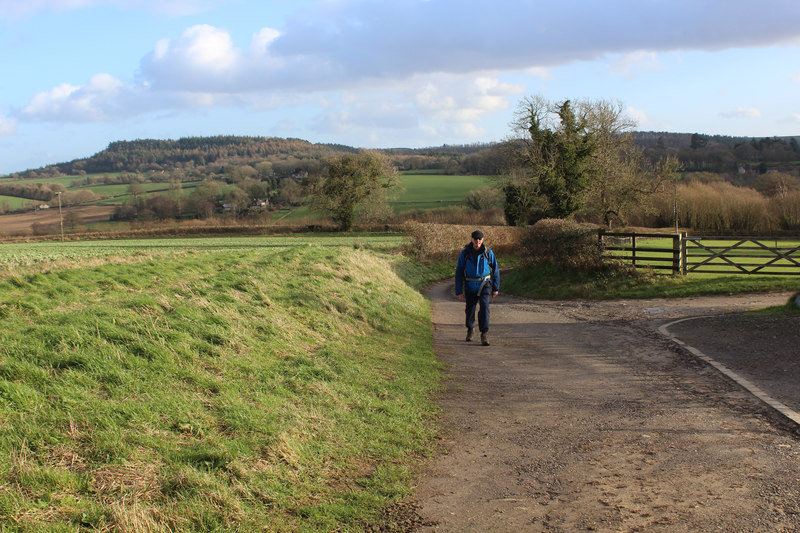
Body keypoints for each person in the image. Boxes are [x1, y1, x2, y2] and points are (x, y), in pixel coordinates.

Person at [455, 230, 500, 346]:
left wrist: (495, 288)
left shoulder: (488, 253)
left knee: (485, 307)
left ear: (483, 240)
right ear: (472, 239)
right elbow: (459, 272)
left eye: (479, 239)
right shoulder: (465, 253)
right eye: (475, 239)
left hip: (484, 284)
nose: (477, 241)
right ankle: (470, 329)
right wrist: (459, 291)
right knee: (470, 309)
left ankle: (484, 333)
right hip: (470, 285)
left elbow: (495, 270)